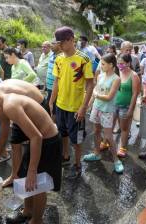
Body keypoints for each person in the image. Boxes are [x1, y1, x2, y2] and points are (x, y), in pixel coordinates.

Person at [0, 71, 62, 224]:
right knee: (25, 177)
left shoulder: (10, 104)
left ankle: (37, 220)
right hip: (38, 141)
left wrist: (33, 170)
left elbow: (36, 136)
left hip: (48, 141)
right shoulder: (3, 104)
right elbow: (4, 136)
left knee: (37, 183)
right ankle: (28, 211)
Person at [49, 26, 94, 178]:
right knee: (63, 133)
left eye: (61, 42)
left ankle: (78, 164)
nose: (59, 46)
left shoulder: (83, 59)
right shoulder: (58, 58)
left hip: (76, 107)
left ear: (71, 40)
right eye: (58, 43)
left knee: (77, 138)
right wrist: (51, 101)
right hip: (61, 104)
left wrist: (83, 107)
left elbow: (90, 84)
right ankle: (66, 156)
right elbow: (56, 81)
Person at [82, 53, 124, 173]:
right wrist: (86, 106)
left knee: (109, 136)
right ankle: (96, 153)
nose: (101, 65)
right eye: (101, 63)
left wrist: (96, 95)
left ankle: (116, 160)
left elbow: (109, 97)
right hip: (96, 108)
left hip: (107, 110)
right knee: (96, 131)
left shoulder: (116, 79)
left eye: (103, 64)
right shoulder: (100, 75)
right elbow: (96, 91)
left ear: (111, 65)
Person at [115, 54, 140, 158]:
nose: (119, 65)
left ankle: (122, 147)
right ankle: (105, 142)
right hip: (113, 104)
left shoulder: (134, 75)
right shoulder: (117, 72)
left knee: (124, 128)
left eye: (122, 63)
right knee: (110, 125)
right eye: (118, 63)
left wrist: (131, 109)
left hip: (125, 106)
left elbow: (135, 94)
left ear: (128, 63)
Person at [46, 39, 62, 121]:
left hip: (56, 89)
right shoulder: (52, 55)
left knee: (54, 111)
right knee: (50, 108)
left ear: (59, 44)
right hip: (49, 87)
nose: (51, 45)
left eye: (53, 43)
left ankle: (55, 130)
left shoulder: (62, 57)